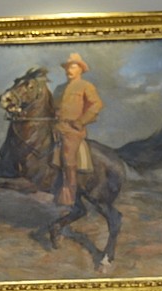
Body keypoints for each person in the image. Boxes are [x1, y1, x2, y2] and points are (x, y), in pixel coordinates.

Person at [53, 52, 103, 206]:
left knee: (68, 157)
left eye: (73, 67)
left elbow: (97, 105)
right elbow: (53, 107)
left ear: (80, 69)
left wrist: (81, 121)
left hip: (73, 130)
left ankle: (70, 193)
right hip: (55, 127)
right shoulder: (59, 88)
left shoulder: (86, 86)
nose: (69, 70)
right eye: (67, 67)